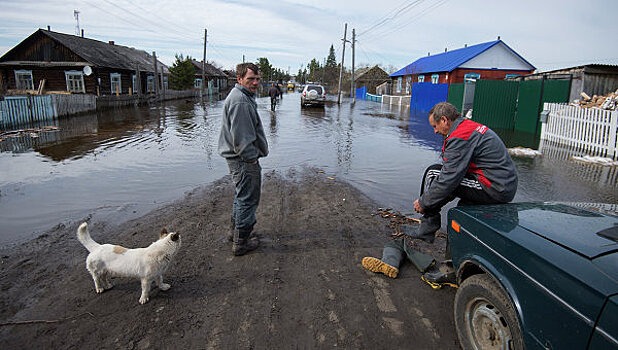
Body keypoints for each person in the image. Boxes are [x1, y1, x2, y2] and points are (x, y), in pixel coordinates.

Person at [363, 101, 518, 284]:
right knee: (460, 212)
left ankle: (427, 226)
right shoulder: (467, 127)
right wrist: (437, 198)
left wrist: (424, 202)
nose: (435, 131)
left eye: (435, 126)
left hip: (494, 186)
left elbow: (448, 179)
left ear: (444, 120)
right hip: (500, 184)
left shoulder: (461, 135)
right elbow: (454, 176)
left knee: (433, 173)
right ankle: (454, 267)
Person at [218, 63, 269, 256]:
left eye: (257, 79)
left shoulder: (241, 97)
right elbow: (242, 139)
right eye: (250, 79)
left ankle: (235, 233)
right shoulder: (240, 101)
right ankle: (241, 242)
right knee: (248, 199)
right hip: (243, 160)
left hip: (238, 158)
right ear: (239, 79)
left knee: (242, 196)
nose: (255, 82)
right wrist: (252, 159)